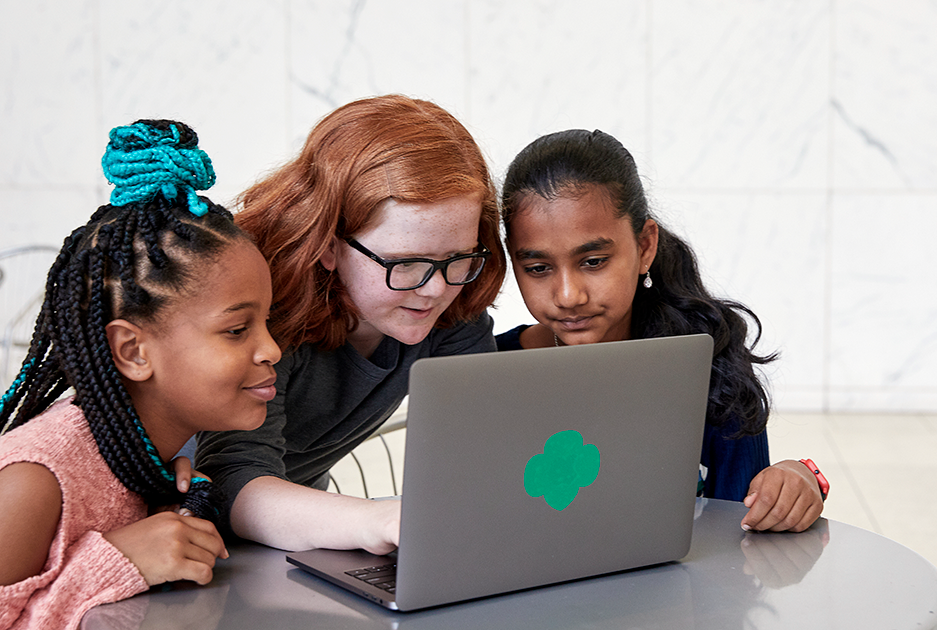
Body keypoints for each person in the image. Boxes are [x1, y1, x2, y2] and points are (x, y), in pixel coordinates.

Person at [0, 120, 280, 628]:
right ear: (132, 350)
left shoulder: (149, 454)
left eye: (267, 321)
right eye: (238, 330)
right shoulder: (34, 482)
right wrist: (115, 561)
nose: (272, 349)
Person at [196, 95, 505, 553]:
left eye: (457, 257)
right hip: (185, 536)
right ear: (327, 245)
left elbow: (484, 448)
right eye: (405, 264)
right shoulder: (261, 316)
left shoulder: (451, 306)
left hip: (293, 540)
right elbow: (232, 480)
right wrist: (376, 519)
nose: (435, 288)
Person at [496, 129, 828, 533]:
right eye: (538, 269)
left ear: (645, 247)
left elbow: (739, 530)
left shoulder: (709, 362)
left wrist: (795, 480)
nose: (568, 296)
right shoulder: (488, 370)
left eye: (594, 261)